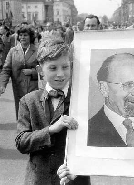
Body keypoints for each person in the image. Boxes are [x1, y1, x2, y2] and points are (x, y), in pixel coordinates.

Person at [15, 32, 90, 185]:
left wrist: (78, 168)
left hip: (74, 179)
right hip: (38, 179)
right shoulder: (28, 101)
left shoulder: (81, 100)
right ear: (40, 70)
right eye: (53, 68)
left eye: (65, 67)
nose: (60, 74)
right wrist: (50, 130)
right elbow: (21, 142)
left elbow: (95, 141)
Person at [0, 26, 38, 119]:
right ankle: (22, 131)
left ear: (31, 37)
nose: (22, 37)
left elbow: (44, 68)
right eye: (20, 35)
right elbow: (6, 69)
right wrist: (2, 84)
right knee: (21, 111)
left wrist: (33, 71)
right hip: (18, 86)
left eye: (25, 35)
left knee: (32, 111)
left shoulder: (37, 50)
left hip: (32, 86)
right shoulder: (13, 51)